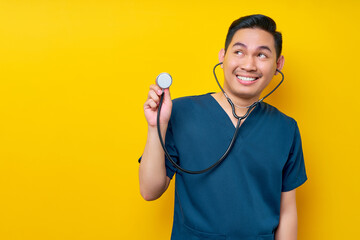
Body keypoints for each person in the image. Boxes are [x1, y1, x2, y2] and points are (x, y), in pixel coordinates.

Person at [139, 14, 307, 240]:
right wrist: (155, 126)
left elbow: (287, 211)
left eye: (261, 55)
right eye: (239, 52)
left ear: (278, 65)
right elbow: (150, 191)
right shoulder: (179, 112)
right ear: (223, 56)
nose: (249, 65)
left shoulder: (286, 129)